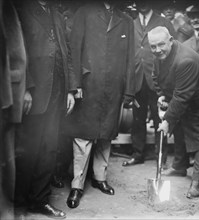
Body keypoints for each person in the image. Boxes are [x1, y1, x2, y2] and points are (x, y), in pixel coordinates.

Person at [66, 0, 135, 209]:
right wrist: (74, 84)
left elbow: (130, 59)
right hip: (88, 84)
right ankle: (77, 185)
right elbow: (73, 51)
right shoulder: (84, 12)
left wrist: (129, 90)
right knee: (83, 136)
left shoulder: (126, 20)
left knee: (106, 133)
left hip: (113, 87)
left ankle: (99, 177)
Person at [14, 0, 77, 218]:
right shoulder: (20, 9)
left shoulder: (57, 14)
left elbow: (66, 53)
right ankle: (18, 204)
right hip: (34, 93)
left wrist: (70, 90)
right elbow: (16, 50)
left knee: (49, 150)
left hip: (57, 93)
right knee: (27, 151)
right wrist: (26, 87)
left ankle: (39, 201)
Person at [149, 26, 199, 198]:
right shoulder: (159, 56)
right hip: (187, 92)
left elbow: (182, 97)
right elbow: (156, 77)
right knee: (180, 124)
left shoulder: (185, 60)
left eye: (161, 45)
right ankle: (179, 166)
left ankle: (197, 182)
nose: (157, 50)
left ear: (171, 41)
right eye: (153, 46)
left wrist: (167, 120)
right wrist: (162, 95)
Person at [122, 0, 175, 167]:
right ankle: (138, 154)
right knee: (137, 119)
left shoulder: (163, 22)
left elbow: (172, 52)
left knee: (160, 118)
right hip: (137, 79)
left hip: (157, 81)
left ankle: (161, 157)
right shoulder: (131, 22)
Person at [0, 0, 26, 218]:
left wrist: (13, 101)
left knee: (5, 161)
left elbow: (17, 60)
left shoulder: (5, 8)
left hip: (3, 99)